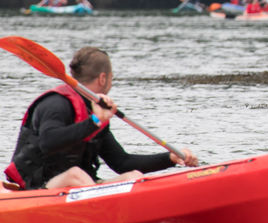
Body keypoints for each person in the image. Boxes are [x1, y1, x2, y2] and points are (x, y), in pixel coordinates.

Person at [4, 47, 199, 190]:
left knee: (133, 176)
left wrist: (170, 158)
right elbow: (48, 142)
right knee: (76, 175)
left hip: (79, 189)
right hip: (36, 188)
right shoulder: (55, 105)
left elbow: (122, 162)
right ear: (103, 78)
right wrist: (95, 122)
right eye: (112, 79)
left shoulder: (95, 112)